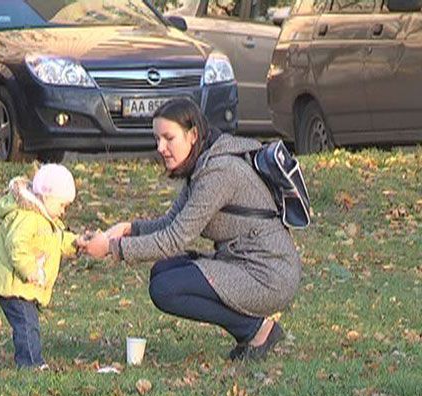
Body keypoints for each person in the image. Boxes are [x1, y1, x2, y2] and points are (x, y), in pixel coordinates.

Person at [83, 98, 301, 361]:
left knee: (166, 288)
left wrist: (111, 248)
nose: (160, 147)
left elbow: (174, 239)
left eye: (168, 138)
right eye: (157, 139)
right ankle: (254, 329)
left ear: (193, 134)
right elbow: (172, 222)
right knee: (163, 271)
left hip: (268, 275)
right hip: (244, 263)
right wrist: (129, 229)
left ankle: (257, 330)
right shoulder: (203, 163)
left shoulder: (219, 172)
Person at [0, 164, 83, 369]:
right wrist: (30, 271)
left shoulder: (45, 220)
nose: (63, 212)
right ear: (47, 197)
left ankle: (30, 360)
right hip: (13, 284)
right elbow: (16, 246)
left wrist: (77, 243)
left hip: (23, 286)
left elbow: (57, 239)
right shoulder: (27, 217)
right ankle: (30, 364)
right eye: (62, 205)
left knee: (28, 323)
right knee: (27, 324)